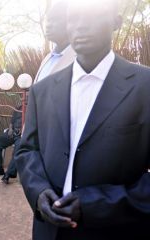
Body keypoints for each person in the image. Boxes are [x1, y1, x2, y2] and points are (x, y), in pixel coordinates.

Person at [16, 0, 150, 239]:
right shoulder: (43, 90)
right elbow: (27, 150)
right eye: (73, 18)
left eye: (92, 16)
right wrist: (38, 191)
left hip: (115, 230)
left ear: (116, 22)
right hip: (48, 229)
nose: (80, 26)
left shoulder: (144, 87)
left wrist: (95, 204)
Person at [35, 0, 75, 83]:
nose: (48, 25)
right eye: (48, 20)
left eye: (55, 20)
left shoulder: (81, 61)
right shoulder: (47, 59)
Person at [0, 105, 22, 184]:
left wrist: (25, 130)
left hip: (24, 135)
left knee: (19, 148)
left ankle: (9, 173)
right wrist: (10, 129)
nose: (26, 97)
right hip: (13, 132)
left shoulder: (34, 108)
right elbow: (12, 121)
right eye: (25, 95)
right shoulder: (18, 107)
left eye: (28, 95)